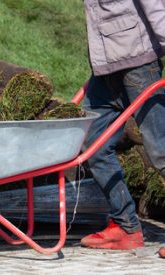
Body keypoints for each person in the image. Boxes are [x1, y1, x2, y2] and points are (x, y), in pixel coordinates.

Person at [80, 0, 165, 250]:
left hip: (138, 64)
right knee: (92, 144)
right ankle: (126, 226)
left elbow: (156, 4)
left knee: (161, 149)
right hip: (105, 69)